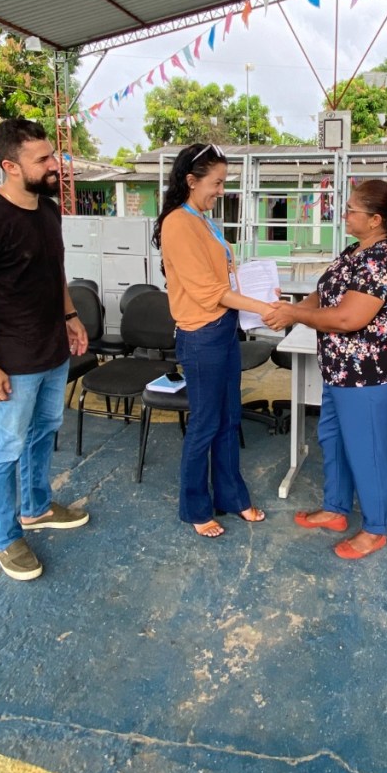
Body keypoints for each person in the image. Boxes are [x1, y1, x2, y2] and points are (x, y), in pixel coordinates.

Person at [0, 119, 90, 581]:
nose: (55, 165)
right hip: (10, 359)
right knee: (4, 449)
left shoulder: (47, 210)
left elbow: (55, 272)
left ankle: (36, 506)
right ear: (9, 166)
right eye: (43, 159)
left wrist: (70, 317)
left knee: (45, 430)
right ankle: (6, 538)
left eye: (54, 156)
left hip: (51, 350)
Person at [263, 180, 387, 559]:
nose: (344, 214)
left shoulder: (381, 262)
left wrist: (294, 315)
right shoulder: (354, 252)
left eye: (351, 210)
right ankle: (335, 509)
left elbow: (348, 318)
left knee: (368, 451)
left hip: (368, 376)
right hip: (338, 371)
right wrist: (293, 305)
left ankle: (375, 528)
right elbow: (326, 293)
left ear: (376, 219)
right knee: (332, 439)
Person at [153, 143, 279, 538]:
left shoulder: (205, 220)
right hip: (200, 336)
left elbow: (225, 278)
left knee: (230, 418)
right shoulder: (178, 223)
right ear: (191, 181)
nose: (221, 190)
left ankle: (232, 497)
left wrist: (263, 296)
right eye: (217, 182)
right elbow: (210, 291)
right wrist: (263, 306)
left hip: (223, 329)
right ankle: (195, 507)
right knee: (206, 422)